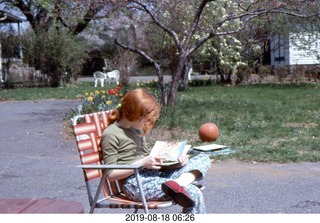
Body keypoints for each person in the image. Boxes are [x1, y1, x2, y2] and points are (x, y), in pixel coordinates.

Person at [101, 88, 211, 213]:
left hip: (154, 175)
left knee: (203, 158)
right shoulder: (111, 134)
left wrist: (176, 163)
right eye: (146, 119)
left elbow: (149, 162)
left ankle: (178, 183)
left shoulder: (135, 130)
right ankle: (177, 185)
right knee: (193, 192)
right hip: (136, 184)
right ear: (134, 114)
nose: (148, 123)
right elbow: (110, 175)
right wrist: (142, 163)